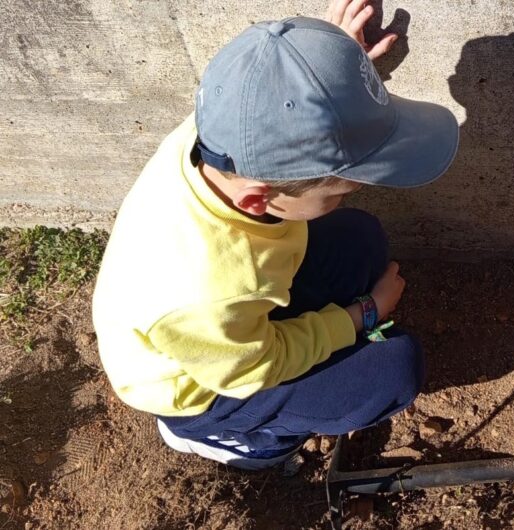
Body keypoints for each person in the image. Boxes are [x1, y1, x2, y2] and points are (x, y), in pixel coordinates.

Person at [92, 0, 458, 470]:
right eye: (341, 190)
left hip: (230, 317)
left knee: (360, 237)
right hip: (210, 382)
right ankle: (237, 438)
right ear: (257, 200)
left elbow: (267, 101)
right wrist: (361, 316)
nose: (352, 192)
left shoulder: (218, 138)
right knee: (395, 369)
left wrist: (333, 78)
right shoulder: (204, 290)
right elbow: (258, 366)